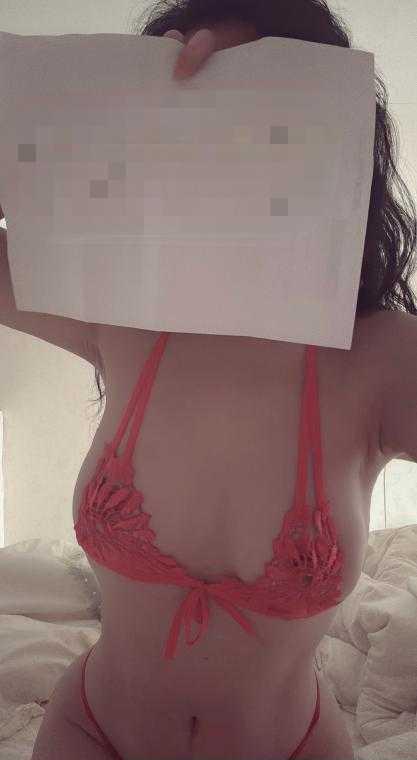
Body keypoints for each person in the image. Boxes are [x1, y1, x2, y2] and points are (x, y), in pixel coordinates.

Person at [10, 2, 415, 760]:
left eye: (260, 117)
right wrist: (72, 113)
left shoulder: (383, 356)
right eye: (194, 123)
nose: (227, 155)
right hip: (92, 732)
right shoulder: (120, 315)